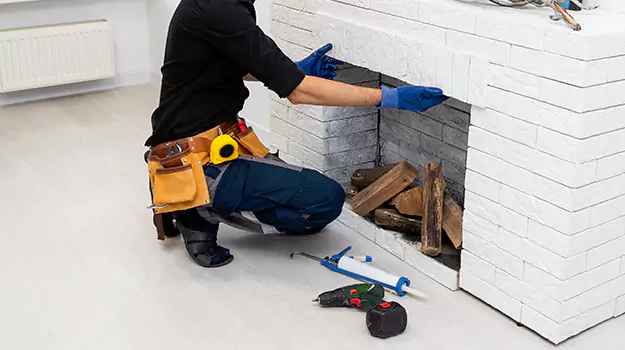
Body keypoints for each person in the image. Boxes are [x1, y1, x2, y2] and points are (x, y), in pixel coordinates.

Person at [145, 0, 449, 268]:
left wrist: (288, 69)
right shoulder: (218, 7)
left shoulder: (222, 6)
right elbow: (299, 92)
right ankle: (195, 208)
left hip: (213, 141)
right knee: (325, 200)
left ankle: (200, 198)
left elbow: (226, 61)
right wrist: (389, 98)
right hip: (193, 158)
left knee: (303, 192)